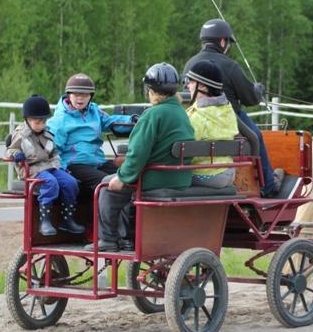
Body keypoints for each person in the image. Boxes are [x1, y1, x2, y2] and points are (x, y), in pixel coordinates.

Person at [85, 63, 195, 252]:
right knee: (120, 187)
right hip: (179, 177)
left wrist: (122, 177)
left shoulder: (153, 114)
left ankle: (108, 240)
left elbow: (137, 153)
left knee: (106, 186)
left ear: (151, 90)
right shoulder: (181, 113)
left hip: (156, 177)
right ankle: (127, 239)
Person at [184, 18, 284, 197]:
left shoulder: (190, 63)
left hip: (197, 113)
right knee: (257, 136)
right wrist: (257, 91)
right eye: (227, 42)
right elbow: (250, 98)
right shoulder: (230, 66)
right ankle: (268, 184)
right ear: (222, 42)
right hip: (229, 116)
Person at [6, 94, 85, 236]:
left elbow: (54, 152)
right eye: (37, 122)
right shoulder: (20, 135)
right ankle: (45, 221)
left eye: (43, 121)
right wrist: (15, 154)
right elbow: (10, 150)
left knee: (70, 182)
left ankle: (67, 220)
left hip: (49, 167)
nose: (41, 125)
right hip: (31, 169)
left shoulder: (47, 134)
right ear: (28, 120)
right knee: (50, 182)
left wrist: (59, 167)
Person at [47, 73, 135, 193]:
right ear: (69, 95)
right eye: (76, 94)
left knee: (129, 176)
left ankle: (130, 210)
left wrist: (134, 121)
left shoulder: (94, 111)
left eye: (85, 95)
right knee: (108, 184)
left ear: (90, 96)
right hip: (75, 165)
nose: (80, 98)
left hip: (97, 162)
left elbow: (111, 122)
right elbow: (54, 150)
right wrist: (63, 172)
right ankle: (104, 212)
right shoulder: (60, 120)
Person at [184, 60, 238, 188]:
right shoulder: (227, 110)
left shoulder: (197, 117)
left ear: (202, 86)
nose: (188, 86)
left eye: (191, 82)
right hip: (228, 171)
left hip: (207, 174)